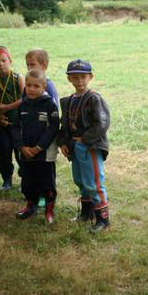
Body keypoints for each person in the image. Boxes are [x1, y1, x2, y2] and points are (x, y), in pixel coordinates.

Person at [58, 59, 111, 232]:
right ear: (69, 79)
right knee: (80, 180)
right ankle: (87, 213)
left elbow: (102, 123)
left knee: (94, 182)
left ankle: (103, 220)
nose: (79, 80)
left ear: (90, 77)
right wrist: (63, 142)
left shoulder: (94, 98)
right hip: (74, 146)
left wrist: (85, 139)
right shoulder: (69, 100)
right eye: (75, 77)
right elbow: (64, 124)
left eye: (83, 76)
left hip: (90, 146)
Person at [12, 70, 60, 223]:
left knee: (47, 183)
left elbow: (53, 128)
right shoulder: (22, 105)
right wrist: (21, 147)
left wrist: (39, 147)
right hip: (26, 153)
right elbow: (15, 127)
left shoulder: (49, 105)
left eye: (36, 86)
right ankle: (30, 206)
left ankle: (49, 210)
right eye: (28, 85)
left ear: (44, 87)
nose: (31, 89)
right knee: (28, 182)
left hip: (44, 154)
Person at [0, 45, 24, 191]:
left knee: (20, 153)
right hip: (2, 124)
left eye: (4, 60)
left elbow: (25, 99)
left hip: (18, 122)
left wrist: (7, 107)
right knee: (4, 152)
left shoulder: (18, 78)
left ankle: (25, 178)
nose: (1, 64)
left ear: (10, 60)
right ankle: (7, 179)